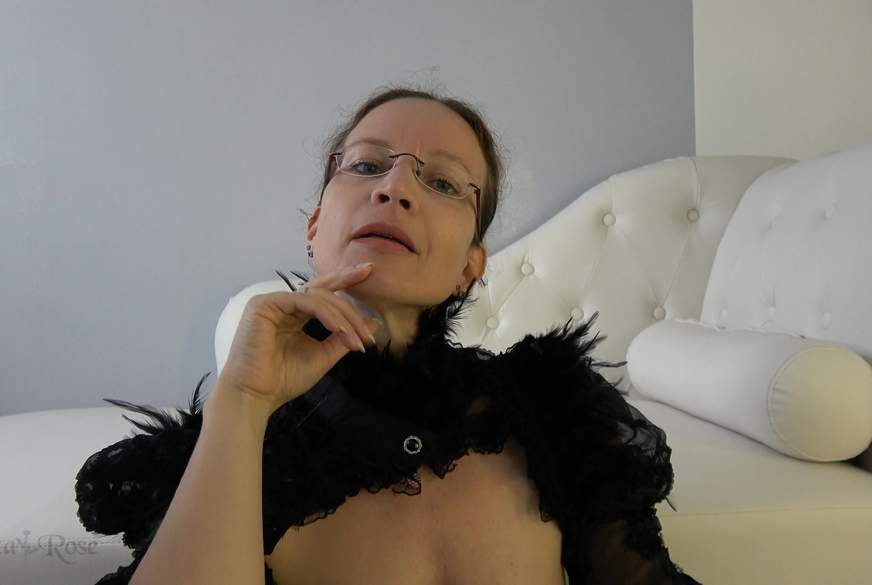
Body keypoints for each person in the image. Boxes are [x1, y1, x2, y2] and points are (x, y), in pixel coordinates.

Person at [74, 85, 703, 584]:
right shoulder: (235, 447)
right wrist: (239, 406)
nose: (395, 187)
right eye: (368, 165)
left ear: (469, 267)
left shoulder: (553, 411)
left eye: (443, 183)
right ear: (315, 228)